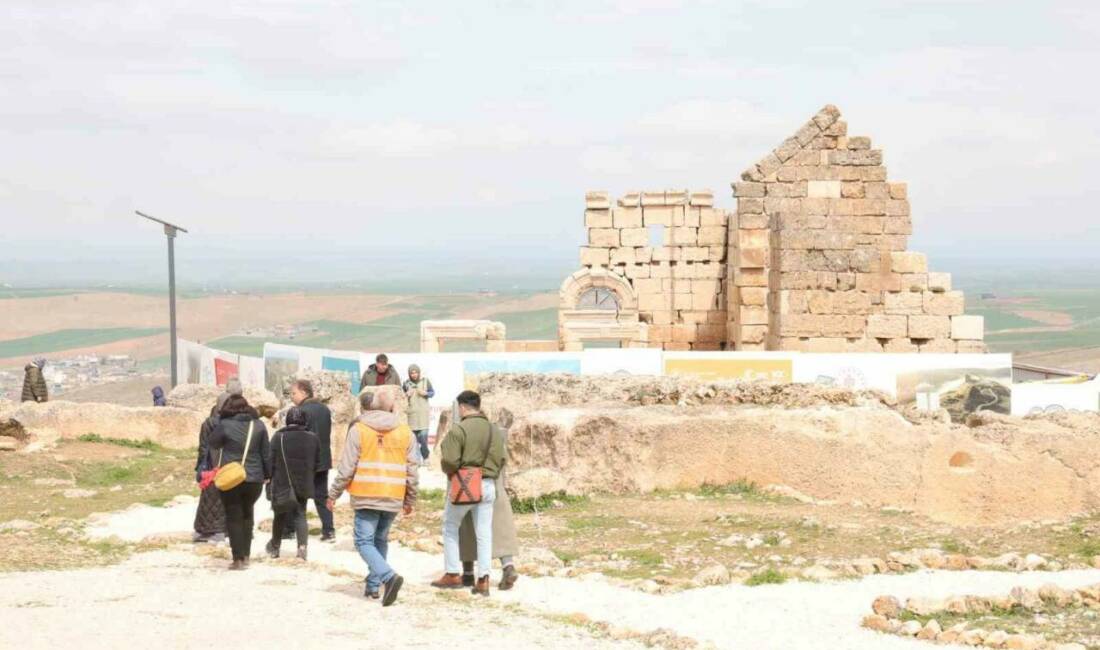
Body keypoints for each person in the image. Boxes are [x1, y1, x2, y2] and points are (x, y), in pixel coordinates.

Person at [327, 389, 418, 606]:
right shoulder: (406, 432)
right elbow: (412, 470)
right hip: (393, 495)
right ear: (393, 407)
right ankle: (374, 586)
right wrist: (410, 499)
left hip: (366, 493)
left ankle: (388, 577)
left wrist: (333, 494)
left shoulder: (358, 430)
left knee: (363, 541)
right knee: (380, 540)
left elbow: (347, 467)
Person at [432, 390, 506, 596]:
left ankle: (453, 574)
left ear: (463, 407)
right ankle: (483, 579)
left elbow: (450, 460)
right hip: (488, 484)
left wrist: (451, 472)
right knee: (484, 533)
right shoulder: (493, 430)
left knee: (450, 527)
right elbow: (502, 458)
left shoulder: (459, 429)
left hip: (465, 483)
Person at [458, 410, 519, 590]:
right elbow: (503, 459)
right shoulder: (495, 434)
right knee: (500, 527)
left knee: (466, 527)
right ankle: (508, 566)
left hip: (469, 484)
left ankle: (468, 573)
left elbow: (453, 459)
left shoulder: (462, 433)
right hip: (495, 485)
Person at [209, 394, 271, 570]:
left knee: (233, 516)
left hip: (232, 476)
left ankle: (238, 559)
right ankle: (246, 555)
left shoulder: (225, 425)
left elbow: (213, 443)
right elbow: (266, 453)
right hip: (254, 478)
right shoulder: (259, 425)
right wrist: (268, 475)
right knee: (247, 514)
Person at [265, 406, 322, 561]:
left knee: (280, 514)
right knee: (300, 514)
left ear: (288, 420)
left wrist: (268, 477)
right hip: (304, 482)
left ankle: (275, 547)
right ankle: (302, 548)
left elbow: (270, 461)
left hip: (282, 482)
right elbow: (317, 462)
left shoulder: (279, 437)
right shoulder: (313, 438)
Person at [286, 380, 336, 542]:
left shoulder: (300, 411)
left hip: (305, 460)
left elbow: (297, 435)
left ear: (304, 392)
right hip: (323, 459)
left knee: (298, 496)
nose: (292, 396)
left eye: (294, 393)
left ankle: (291, 529)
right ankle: (329, 531)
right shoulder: (324, 409)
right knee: (321, 496)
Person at [192, 393, 230, 543]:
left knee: (208, 499)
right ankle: (223, 530)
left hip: (210, 465)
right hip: (227, 464)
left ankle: (205, 529)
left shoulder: (208, 423)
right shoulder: (231, 423)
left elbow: (203, 447)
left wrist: (201, 465)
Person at [402, 364, 435, 462]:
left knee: (424, 438)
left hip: (423, 414)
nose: (414, 375)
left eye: (415, 372)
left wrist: (426, 393)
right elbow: (401, 397)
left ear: (419, 373)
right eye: (412, 373)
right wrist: (406, 394)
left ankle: (426, 457)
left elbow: (432, 393)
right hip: (411, 415)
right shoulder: (406, 383)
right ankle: (416, 460)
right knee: (413, 440)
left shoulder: (425, 381)